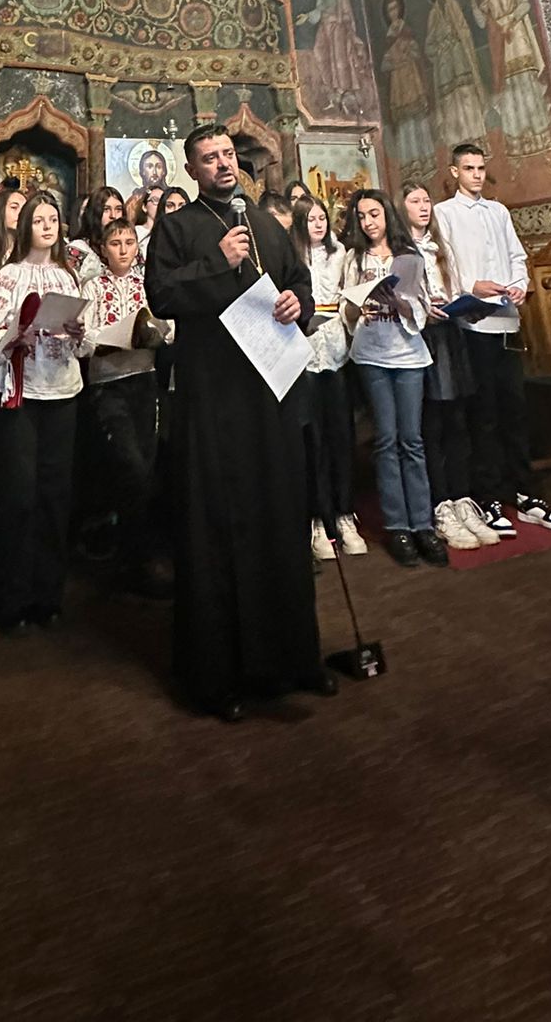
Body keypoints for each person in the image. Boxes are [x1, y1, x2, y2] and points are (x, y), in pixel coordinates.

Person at [144, 124, 333, 721]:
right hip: (214, 400)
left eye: (228, 154)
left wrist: (298, 303)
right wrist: (215, 261)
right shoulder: (177, 228)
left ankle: (291, 661)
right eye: (210, 158)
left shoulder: (266, 224)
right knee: (220, 525)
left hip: (271, 395)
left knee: (279, 515)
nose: (224, 164)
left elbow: (298, 280)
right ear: (193, 169)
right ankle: (219, 678)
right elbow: (161, 296)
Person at [433, 144, 551, 536]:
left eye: (481, 168)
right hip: (474, 324)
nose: (477, 174)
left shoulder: (498, 211)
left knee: (515, 410)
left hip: (508, 321)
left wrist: (519, 285)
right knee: (484, 415)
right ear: (454, 172)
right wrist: (470, 285)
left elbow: (516, 256)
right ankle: (489, 497)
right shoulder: (444, 213)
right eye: (469, 168)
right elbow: (445, 263)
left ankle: (526, 494)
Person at [0, 192, 92, 634]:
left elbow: (85, 346)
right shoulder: (7, 277)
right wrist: (16, 336)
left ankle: (48, 595)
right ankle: (13, 598)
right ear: (25, 225)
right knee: (18, 496)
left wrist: (78, 333)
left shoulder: (68, 276)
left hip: (62, 392)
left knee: (55, 496)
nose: (47, 226)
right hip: (20, 395)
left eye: (53, 219)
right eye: (39, 219)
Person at [338, 189, 443, 568]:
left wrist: (399, 302)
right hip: (372, 355)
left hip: (409, 356)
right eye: (361, 216)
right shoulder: (354, 258)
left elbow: (422, 310)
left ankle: (423, 525)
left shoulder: (408, 256)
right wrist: (358, 306)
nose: (368, 222)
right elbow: (345, 309)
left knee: (412, 440)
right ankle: (398, 526)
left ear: (386, 215)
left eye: (374, 214)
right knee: (386, 440)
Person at [81, 216, 171, 597]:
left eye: (129, 242)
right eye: (115, 243)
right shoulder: (92, 286)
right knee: (129, 465)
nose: (123, 249)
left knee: (146, 467)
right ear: (103, 249)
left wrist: (157, 332)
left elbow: (168, 324)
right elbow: (82, 337)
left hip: (143, 380)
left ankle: (138, 557)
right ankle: (130, 555)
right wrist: (105, 340)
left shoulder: (145, 283)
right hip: (109, 384)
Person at [401, 183, 493, 553]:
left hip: (451, 336)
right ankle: (440, 505)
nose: (424, 207)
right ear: (402, 208)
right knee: (432, 424)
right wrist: (425, 308)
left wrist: (464, 304)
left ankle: (462, 499)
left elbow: (454, 284)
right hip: (422, 339)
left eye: (426, 201)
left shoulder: (441, 247)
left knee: (458, 420)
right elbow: (401, 297)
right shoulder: (402, 250)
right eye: (415, 201)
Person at [291, 196, 364, 562]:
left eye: (322, 217)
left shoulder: (342, 255)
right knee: (313, 441)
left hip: (336, 351)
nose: (318, 224)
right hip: (302, 354)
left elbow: (350, 297)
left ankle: (345, 514)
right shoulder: (291, 257)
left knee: (340, 436)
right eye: (310, 219)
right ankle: (318, 520)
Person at [72, 184, 126, 282]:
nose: (113, 216)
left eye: (118, 209)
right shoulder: (78, 249)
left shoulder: (129, 247)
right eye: (106, 209)